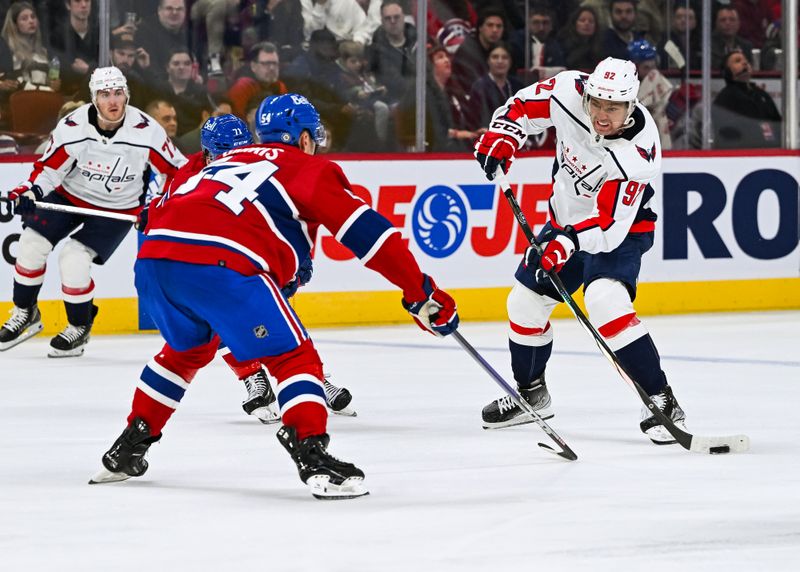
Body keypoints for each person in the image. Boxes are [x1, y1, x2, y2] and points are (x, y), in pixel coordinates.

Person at [89, 93, 459, 499]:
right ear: (302, 138)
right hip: (221, 265)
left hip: (154, 261)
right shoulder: (306, 168)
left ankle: (130, 444)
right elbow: (371, 236)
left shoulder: (218, 161)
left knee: (186, 351)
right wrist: (419, 291)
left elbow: (163, 207)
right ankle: (311, 452)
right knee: (292, 355)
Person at [473, 57, 688, 445]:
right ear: (586, 94)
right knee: (524, 302)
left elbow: (606, 225)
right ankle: (532, 395)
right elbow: (521, 108)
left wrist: (566, 243)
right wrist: (504, 135)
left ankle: (662, 398)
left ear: (631, 106)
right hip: (563, 221)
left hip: (619, 231)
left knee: (605, 301)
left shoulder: (639, 152)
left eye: (613, 108)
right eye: (596, 104)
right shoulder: (569, 90)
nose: (601, 115)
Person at [0, 66, 186, 356]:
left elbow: (177, 173)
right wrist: (29, 192)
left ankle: (79, 326)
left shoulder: (147, 131)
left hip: (117, 208)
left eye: (118, 93)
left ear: (126, 95)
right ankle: (26, 313)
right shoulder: (72, 127)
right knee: (31, 243)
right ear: (93, 99)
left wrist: (157, 206)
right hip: (70, 195)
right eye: (104, 94)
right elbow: (48, 169)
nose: (112, 101)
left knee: (73, 259)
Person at [712, 49, 781, 149]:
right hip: (745, 153)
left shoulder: (761, 94)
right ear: (727, 71)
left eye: (746, 61)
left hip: (773, 151)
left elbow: (777, 121)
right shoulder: (725, 97)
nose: (744, 63)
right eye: (737, 61)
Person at [628, 39, 673, 149]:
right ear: (635, 67)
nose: (651, 73)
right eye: (646, 67)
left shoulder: (659, 82)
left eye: (653, 67)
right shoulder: (623, 87)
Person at [227, 41, 288, 120]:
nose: (272, 68)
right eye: (266, 64)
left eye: (275, 63)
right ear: (253, 66)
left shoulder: (280, 87)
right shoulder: (241, 87)